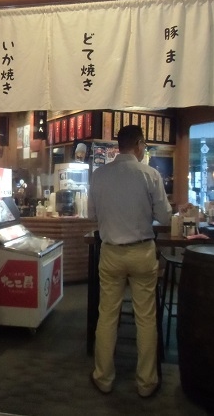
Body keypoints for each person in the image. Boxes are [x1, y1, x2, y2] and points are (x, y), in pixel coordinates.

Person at [87, 125, 172, 398]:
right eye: (144, 145)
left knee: (107, 316)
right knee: (145, 318)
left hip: (111, 252)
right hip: (141, 252)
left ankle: (103, 378)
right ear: (138, 144)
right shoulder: (150, 174)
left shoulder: (99, 175)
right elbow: (166, 217)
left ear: (118, 146)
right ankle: (146, 383)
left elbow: (91, 215)